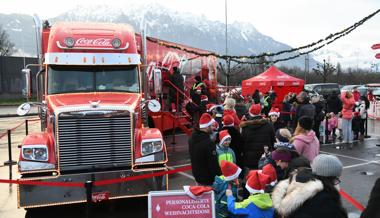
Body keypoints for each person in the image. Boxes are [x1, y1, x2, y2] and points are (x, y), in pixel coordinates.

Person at [272, 154, 347, 218]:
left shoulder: (295, 182)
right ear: (329, 178)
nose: (337, 182)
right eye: (335, 178)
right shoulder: (325, 200)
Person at [188, 113, 221, 185]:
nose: (214, 128)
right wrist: (219, 177)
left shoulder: (191, 139)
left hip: (197, 176)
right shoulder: (209, 143)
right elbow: (213, 164)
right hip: (208, 179)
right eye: (212, 126)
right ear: (206, 127)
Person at [240, 103, 276, 170]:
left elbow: (242, 142)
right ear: (260, 112)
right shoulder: (269, 125)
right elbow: (273, 140)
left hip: (249, 158)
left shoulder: (245, 126)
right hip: (265, 157)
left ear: (250, 113)